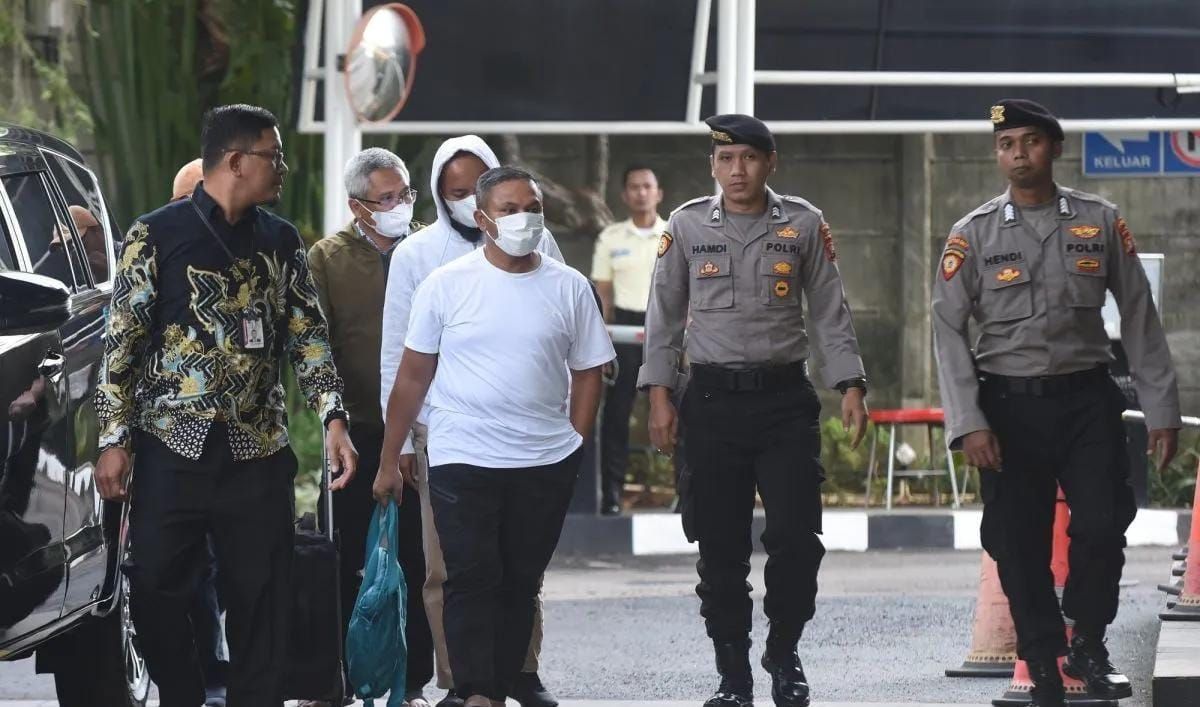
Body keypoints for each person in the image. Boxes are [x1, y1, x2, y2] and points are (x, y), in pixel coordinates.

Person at [94, 104, 358, 707]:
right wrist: (114, 440)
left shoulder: (280, 239)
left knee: (261, 599)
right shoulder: (154, 234)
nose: (283, 168)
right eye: (275, 155)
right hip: (171, 449)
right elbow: (122, 345)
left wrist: (333, 418)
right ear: (237, 161)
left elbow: (309, 340)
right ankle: (184, 692)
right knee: (154, 586)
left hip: (256, 453)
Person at [931, 99, 1181, 707]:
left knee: (1102, 523)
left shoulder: (1099, 220)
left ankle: (1088, 642)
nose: (1018, 155)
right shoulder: (974, 233)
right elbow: (946, 329)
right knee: (1018, 541)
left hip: (1087, 399)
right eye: (1006, 144)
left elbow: (1140, 318)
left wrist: (1162, 409)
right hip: (1007, 408)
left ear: (1055, 148)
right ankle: (1042, 658)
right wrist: (968, 423)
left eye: (1030, 142)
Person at [639, 114, 869, 707]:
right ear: (713, 167)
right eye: (724, 160)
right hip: (710, 404)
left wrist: (849, 384)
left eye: (747, 158)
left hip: (785, 404)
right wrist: (660, 397)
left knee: (796, 538)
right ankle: (733, 674)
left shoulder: (803, 224)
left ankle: (784, 651)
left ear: (770, 162)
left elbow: (828, 313)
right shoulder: (687, 226)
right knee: (720, 550)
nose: (735, 170)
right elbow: (663, 318)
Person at [374, 166, 614, 707]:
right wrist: (392, 456)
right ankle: (476, 690)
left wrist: (574, 440)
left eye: (532, 206)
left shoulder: (569, 286)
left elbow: (590, 370)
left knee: (520, 581)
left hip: (544, 460)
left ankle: (502, 686)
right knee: (470, 575)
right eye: (509, 209)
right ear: (482, 219)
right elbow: (412, 375)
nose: (524, 218)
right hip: (463, 454)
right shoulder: (445, 285)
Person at [306, 147, 433, 707]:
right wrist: (332, 420)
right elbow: (315, 346)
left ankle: (413, 682)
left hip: (427, 429)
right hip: (356, 431)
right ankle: (338, 679)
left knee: (421, 559)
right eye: (388, 198)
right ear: (359, 208)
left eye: (405, 194)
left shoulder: (431, 248)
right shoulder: (327, 259)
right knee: (347, 559)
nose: (401, 206)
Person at [590, 165, 666, 515]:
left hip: (666, 328)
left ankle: (688, 495)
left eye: (647, 186)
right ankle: (612, 495)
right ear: (625, 195)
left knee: (679, 411)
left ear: (658, 193)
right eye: (634, 187)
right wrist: (602, 341)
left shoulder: (673, 233)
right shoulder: (611, 237)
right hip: (622, 329)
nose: (640, 193)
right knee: (617, 415)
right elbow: (603, 292)